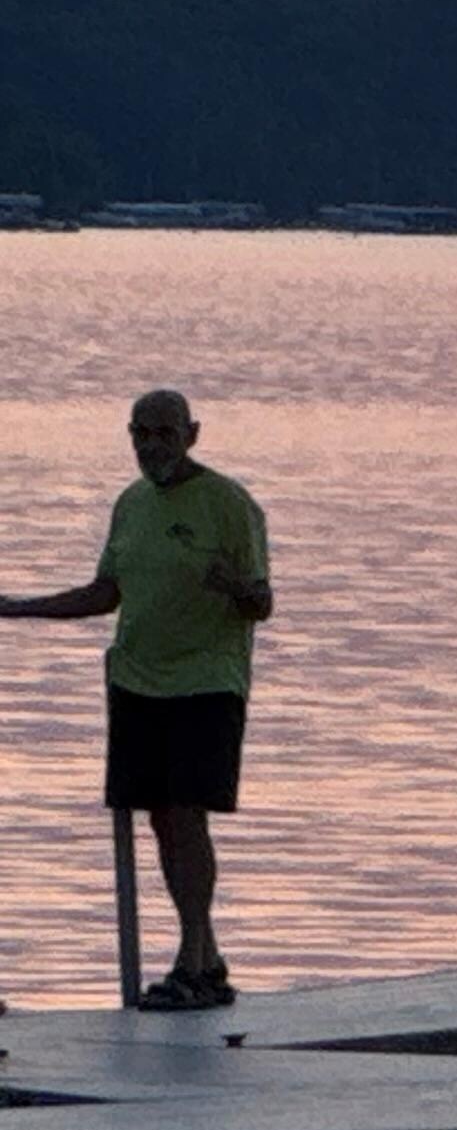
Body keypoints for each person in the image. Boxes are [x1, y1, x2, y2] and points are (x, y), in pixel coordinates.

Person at [3, 389, 274, 1009]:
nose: (152, 445)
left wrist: (235, 586)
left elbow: (262, 603)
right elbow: (105, 593)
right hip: (135, 681)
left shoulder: (230, 505)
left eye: (164, 433)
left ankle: (191, 964)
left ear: (192, 434)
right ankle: (208, 961)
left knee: (188, 813)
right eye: (141, 433)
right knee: (161, 820)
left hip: (207, 680)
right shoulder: (131, 504)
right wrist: (17, 607)